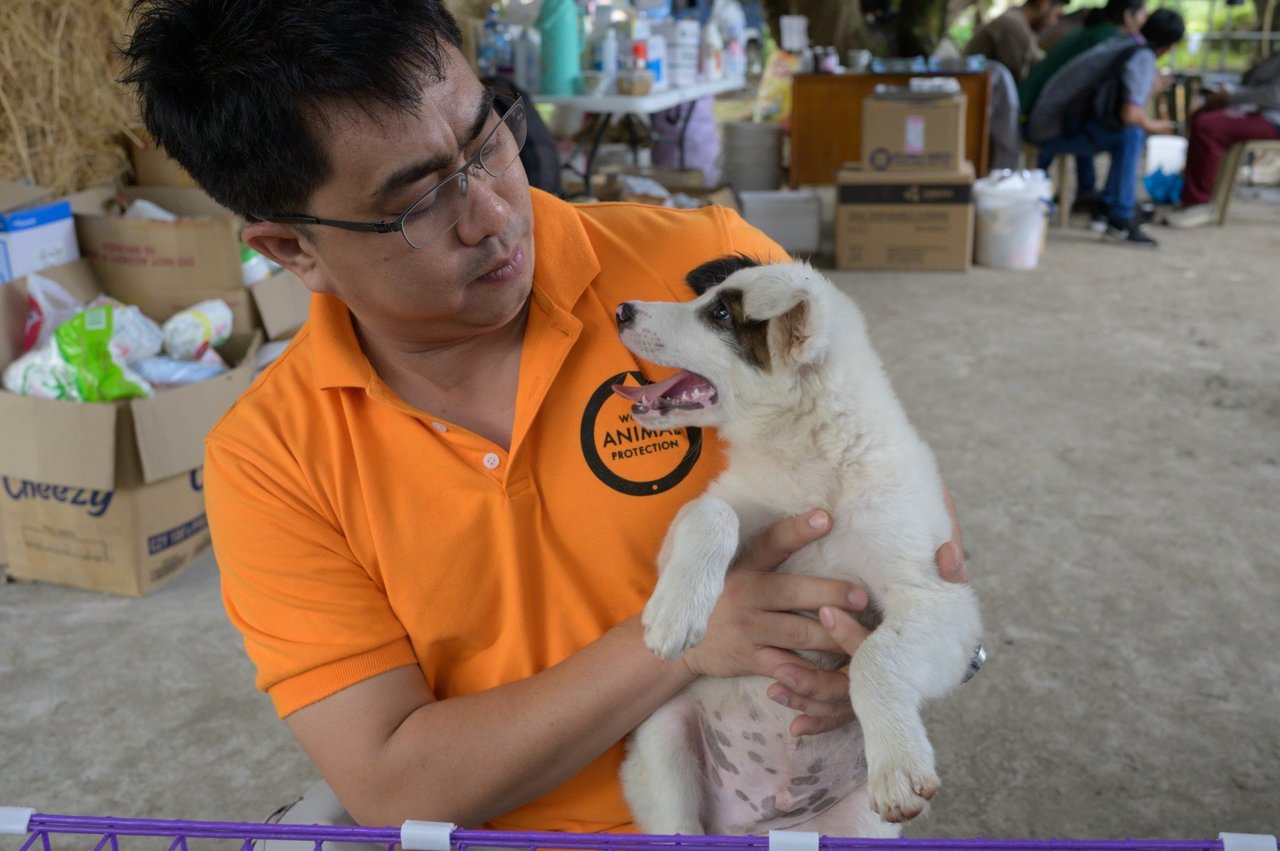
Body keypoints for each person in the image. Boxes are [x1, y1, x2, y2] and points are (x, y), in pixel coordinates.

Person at [121, 0, 970, 834]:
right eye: (419, 202)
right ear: (292, 248)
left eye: (485, 140)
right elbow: (390, 781)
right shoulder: (273, 459)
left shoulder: (702, 272)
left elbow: (907, 509)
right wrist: (681, 638)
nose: (493, 214)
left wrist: (897, 653)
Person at [1026, 8, 1185, 246]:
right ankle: (1119, 218)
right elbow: (1130, 114)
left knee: (1126, 133)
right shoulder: (1141, 56)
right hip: (1052, 129)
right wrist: (1155, 125)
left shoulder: (1122, 43)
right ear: (1169, 46)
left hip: (1046, 121)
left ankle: (1110, 204)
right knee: (1131, 135)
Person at [1020, 0, 1150, 216]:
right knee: (1130, 135)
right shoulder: (1111, 41)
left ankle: (1086, 193)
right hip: (1039, 119)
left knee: (1088, 122)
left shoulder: (1095, 33)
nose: (1144, 22)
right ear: (1129, 16)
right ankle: (1117, 211)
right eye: (1143, 15)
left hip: (1034, 113)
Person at [1165, 53, 1280, 228]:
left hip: (1274, 119)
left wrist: (1229, 97)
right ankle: (1193, 192)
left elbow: (1273, 95)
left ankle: (1200, 202)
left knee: (1209, 126)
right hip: (1262, 111)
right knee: (1202, 115)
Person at [965, 0, 1070, 84]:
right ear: (1044, 4)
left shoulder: (1022, 26)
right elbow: (1020, 79)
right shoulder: (1013, 25)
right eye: (1057, 15)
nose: (1054, 23)